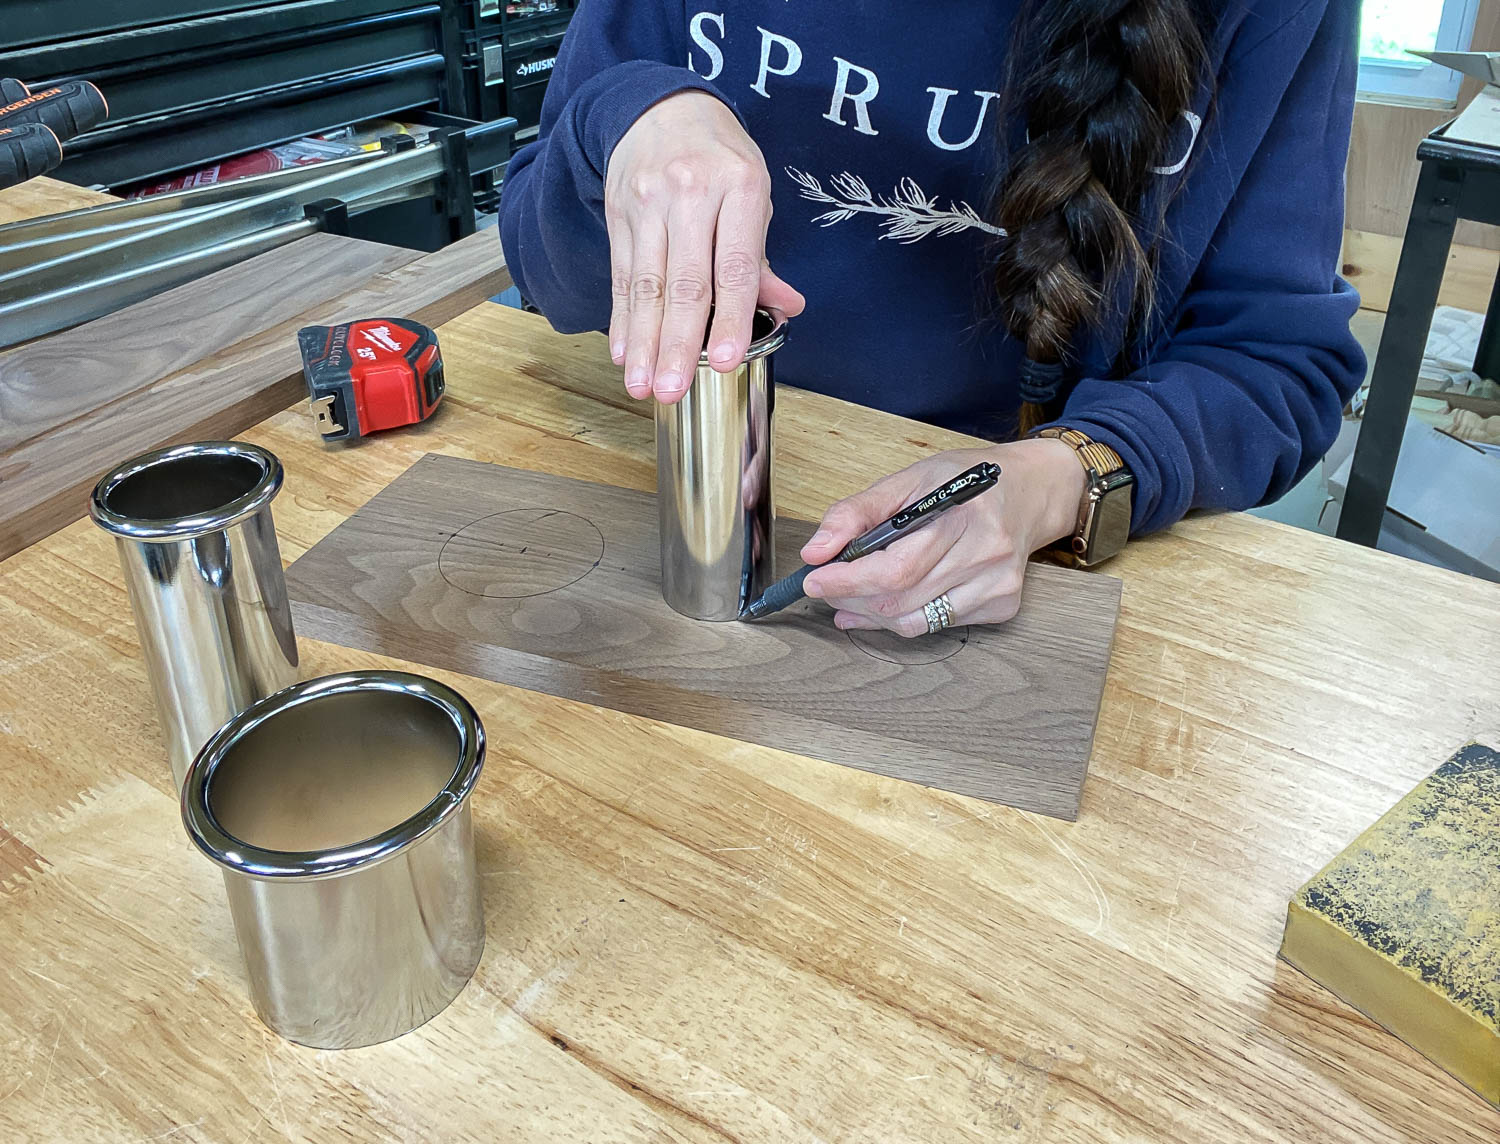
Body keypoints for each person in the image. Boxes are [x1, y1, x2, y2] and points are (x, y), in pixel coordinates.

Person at [499, 1, 1364, 637]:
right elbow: (547, 278)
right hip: (652, 463)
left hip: (1003, 560)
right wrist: (625, 122)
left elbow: (1275, 363)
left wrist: (1060, 479)